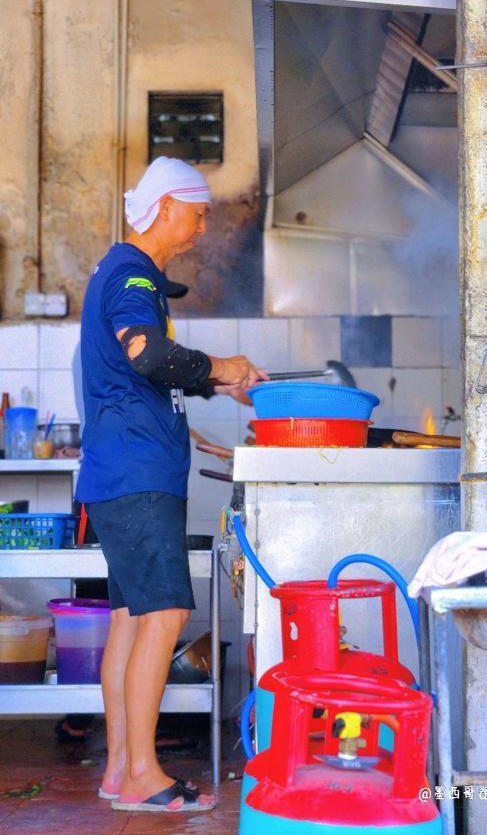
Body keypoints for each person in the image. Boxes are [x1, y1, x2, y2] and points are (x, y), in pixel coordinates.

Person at [76, 156, 267, 814]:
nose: (203, 219)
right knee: (164, 613)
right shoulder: (130, 272)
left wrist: (220, 378)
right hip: (136, 474)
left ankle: (122, 770)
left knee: (131, 618)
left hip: (120, 473)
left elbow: (154, 368)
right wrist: (221, 363)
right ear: (165, 209)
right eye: (198, 208)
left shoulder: (122, 271)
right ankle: (141, 774)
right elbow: (146, 354)